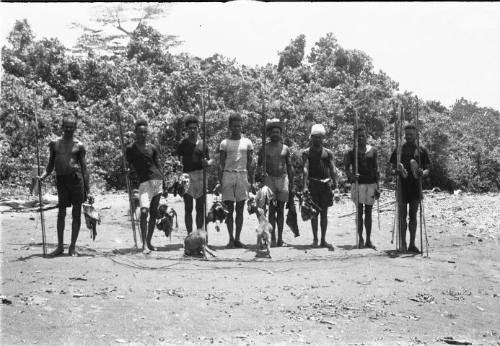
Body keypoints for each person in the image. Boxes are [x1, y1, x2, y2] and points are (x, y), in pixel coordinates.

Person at [38, 114, 90, 257]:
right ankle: (60, 246)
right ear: (62, 127)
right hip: (62, 181)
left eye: (71, 127)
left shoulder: (79, 145)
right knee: (61, 213)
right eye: (66, 126)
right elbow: (49, 167)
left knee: (76, 214)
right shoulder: (54, 144)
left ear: (75, 128)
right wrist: (42, 176)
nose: (68, 129)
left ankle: (72, 247)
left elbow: (84, 168)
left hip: (76, 181)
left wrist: (88, 189)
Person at [126, 119, 165, 254]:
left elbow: (158, 165)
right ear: (135, 133)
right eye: (140, 132)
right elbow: (128, 164)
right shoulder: (131, 148)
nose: (143, 134)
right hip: (144, 183)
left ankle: (148, 242)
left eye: (145, 132)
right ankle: (143, 244)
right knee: (144, 212)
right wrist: (127, 170)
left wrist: (164, 181)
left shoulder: (152, 147)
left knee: (154, 213)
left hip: (157, 181)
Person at [389, 124, 430, 253]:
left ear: (416, 134)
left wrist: (422, 173)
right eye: (406, 135)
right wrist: (397, 170)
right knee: (402, 216)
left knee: (413, 215)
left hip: (416, 186)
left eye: (411, 134)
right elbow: (391, 168)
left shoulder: (422, 150)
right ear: (404, 135)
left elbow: (428, 169)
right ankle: (403, 244)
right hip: (402, 186)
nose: (408, 137)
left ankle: (412, 244)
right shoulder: (399, 149)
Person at [219, 112, 254, 248]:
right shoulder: (224, 143)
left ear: (241, 126)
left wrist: (252, 180)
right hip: (228, 175)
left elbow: (250, 163)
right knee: (228, 209)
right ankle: (231, 239)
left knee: (240, 209)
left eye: (238, 126)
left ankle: (238, 239)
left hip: (242, 175)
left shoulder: (247, 142)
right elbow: (221, 163)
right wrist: (220, 180)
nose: (236, 128)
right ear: (229, 127)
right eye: (233, 126)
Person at [257, 118, 294, 247]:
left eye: (277, 132)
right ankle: (272, 238)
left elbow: (289, 167)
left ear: (280, 134)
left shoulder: (286, 148)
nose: (275, 134)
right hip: (270, 180)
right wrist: (260, 175)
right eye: (272, 132)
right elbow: (259, 164)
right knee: (272, 210)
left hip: (283, 180)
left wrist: (292, 184)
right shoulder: (264, 148)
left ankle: (280, 238)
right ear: (269, 134)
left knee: (281, 209)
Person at [302, 124, 338, 249]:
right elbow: (305, 169)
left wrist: (336, 185)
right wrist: (304, 186)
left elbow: (333, 169)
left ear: (323, 138)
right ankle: (315, 239)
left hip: (325, 186)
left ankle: (323, 239)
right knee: (314, 213)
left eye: (320, 137)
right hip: (313, 184)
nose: (317, 139)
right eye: (315, 137)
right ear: (311, 138)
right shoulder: (307, 153)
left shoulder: (328, 153)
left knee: (324, 213)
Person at [344, 125, 380, 249]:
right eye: (358, 136)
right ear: (355, 138)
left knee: (369, 213)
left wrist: (378, 187)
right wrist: (352, 177)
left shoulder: (373, 151)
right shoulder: (351, 152)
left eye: (363, 136)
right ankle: (360, 239)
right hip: (358, 185)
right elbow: (346, 168)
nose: (361, 138)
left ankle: (369, 240)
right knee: (359, 212)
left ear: (367, 137)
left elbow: (376, 169)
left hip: (371, 184)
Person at [177, 115, 210, 234]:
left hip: (201, 177)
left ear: (198, 128)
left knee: (200, 208)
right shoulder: (182, 144)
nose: (192, 130)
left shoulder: (203, 144)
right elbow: (177, 161)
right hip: (187, 177)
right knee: (188, 208)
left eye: (194, 128)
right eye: (189, 128)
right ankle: (190, 234)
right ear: (186, 129)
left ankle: (199, 234)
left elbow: (209, 161)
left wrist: (207, 163)